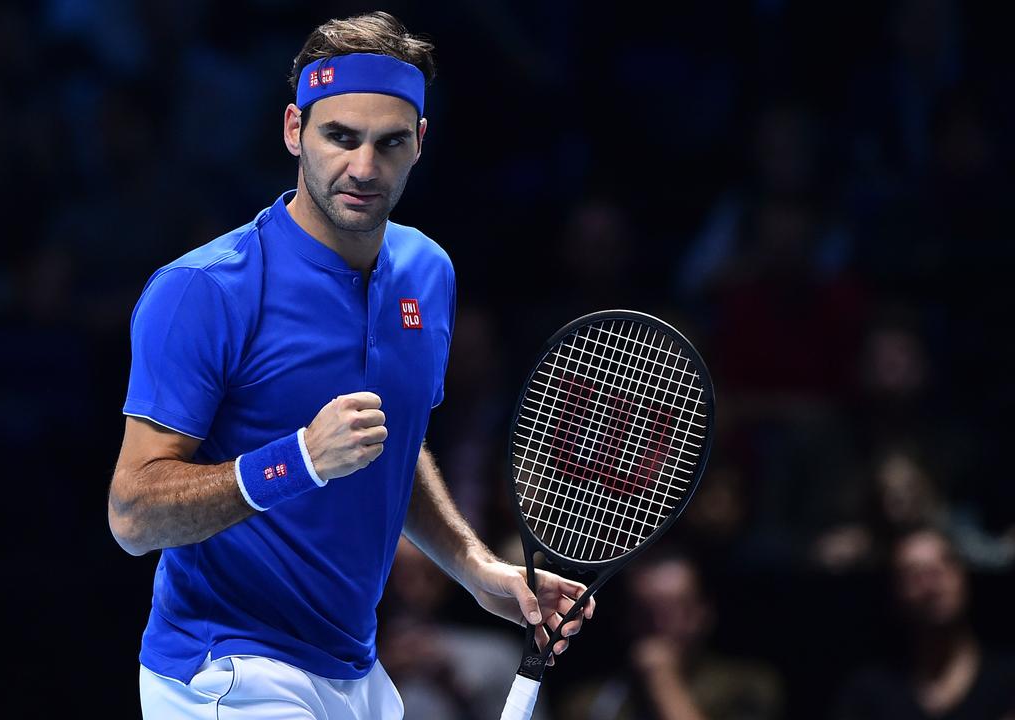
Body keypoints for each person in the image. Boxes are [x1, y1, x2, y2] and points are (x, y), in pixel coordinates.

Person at [106, 12, 592, 719]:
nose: (364, 168)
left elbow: (390, 447)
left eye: (389, 143)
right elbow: (132, 514)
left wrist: (477, 569)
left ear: (419, 143)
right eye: (340, 137)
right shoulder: (203, 290)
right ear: (294, 130)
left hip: (354, 673)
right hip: (225, 668)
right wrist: (298, 458)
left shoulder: (428, 272)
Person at [562, 548, 782, 720]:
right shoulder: (588, 704)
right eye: (645, 610)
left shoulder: (748, 687)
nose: (657, 623)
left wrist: (662, 678)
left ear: (703, 613)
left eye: (672, 610)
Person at [833, 527, 1015, 720]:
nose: (931, 585)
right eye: (914, 574)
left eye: (942, 567)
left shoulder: (1009, 682)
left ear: (964, 576)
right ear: (895, 592)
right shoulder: (868, 695)